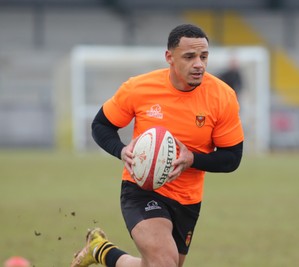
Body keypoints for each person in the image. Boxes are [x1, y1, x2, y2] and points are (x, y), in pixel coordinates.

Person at [70, 24, 244, 267]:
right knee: (163, 263)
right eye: (189, 56)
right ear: (169, 57)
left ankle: (100, 250)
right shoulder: (138, 88)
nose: (199, 64)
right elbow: (101, 125)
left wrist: (192, 159)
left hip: (188, 199)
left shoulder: (222, 96)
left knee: (155, 264)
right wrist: (121, 150)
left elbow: (232, 158)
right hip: (142, 188)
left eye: (204, 56)